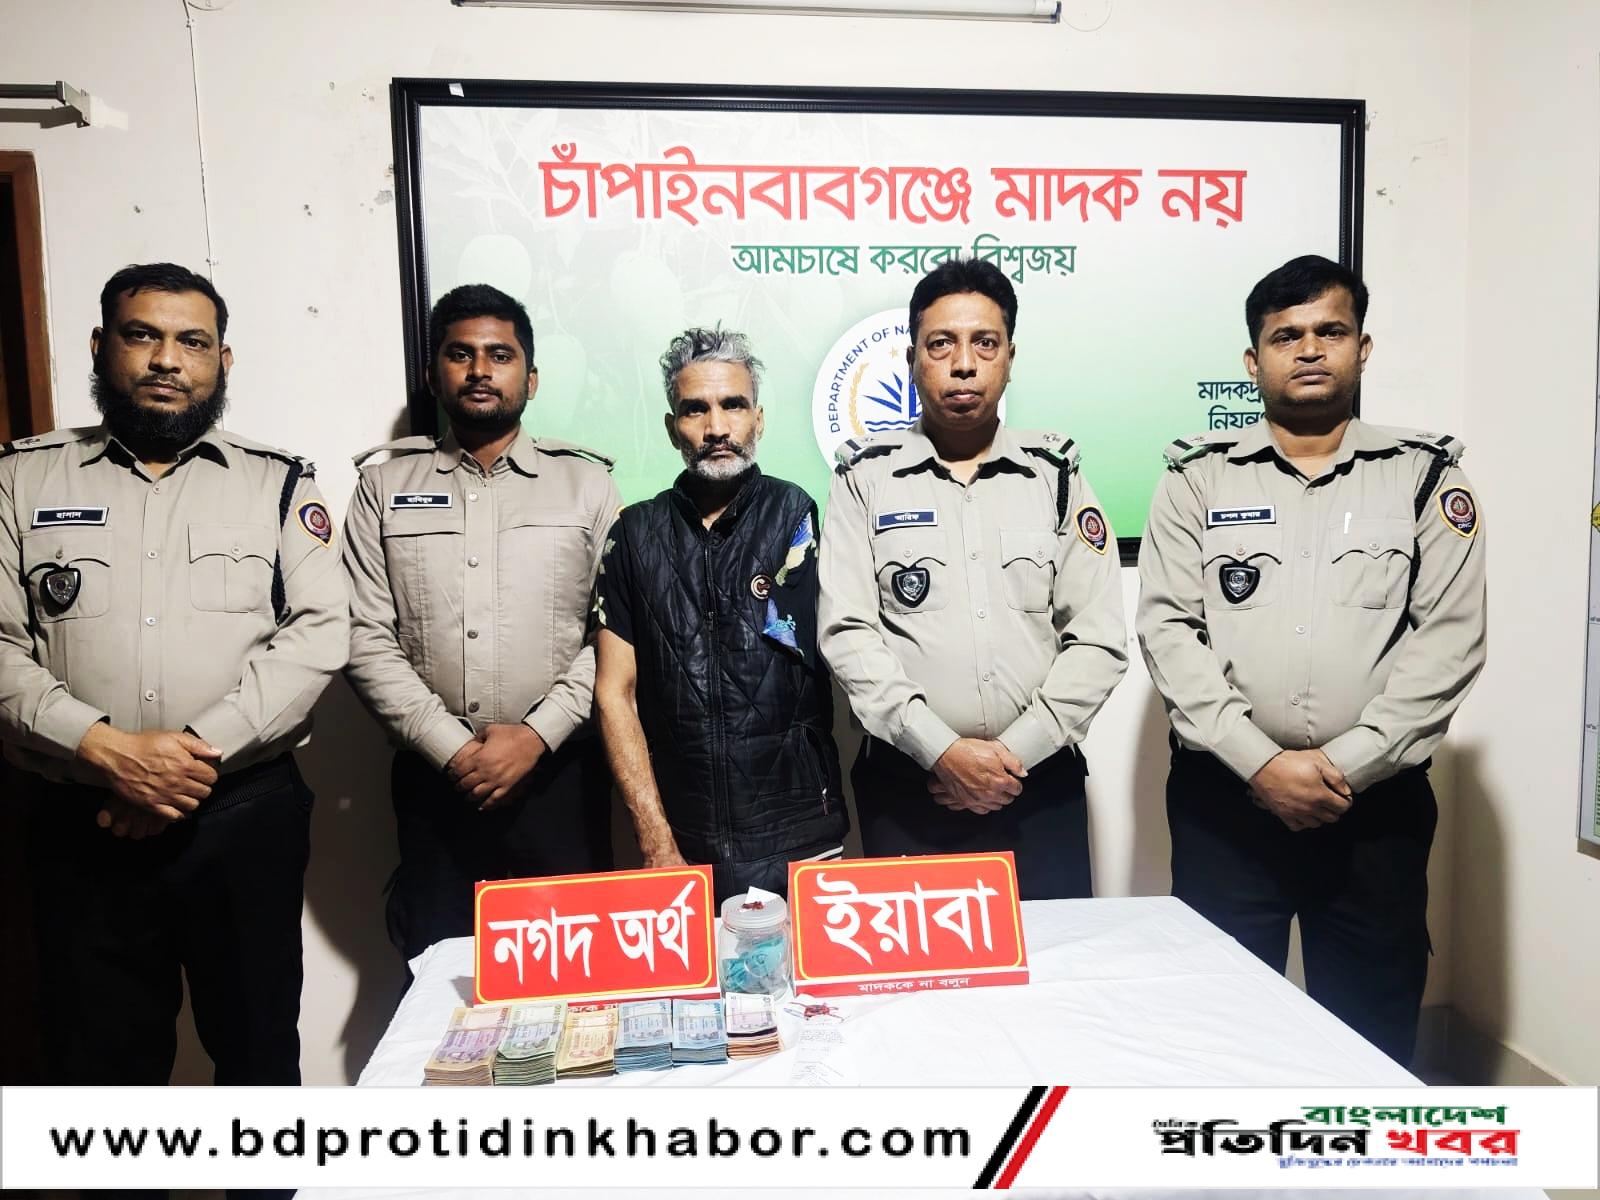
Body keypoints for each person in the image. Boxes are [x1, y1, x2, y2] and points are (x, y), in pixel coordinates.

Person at [0, 262, 348, 1084]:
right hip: (82, 818)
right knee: (100, 1071)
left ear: (222, 361)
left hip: (241, 816)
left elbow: (319, 633)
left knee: (259, 1058)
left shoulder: (278, 483)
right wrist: (105, 750)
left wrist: (181, 760)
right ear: (100, 347)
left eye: (192, 341)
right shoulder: (18, 479)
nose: (166, 359)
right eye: (142, 336)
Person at [1136, 254, 1487, 1064]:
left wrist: (1342, 768)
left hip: (1375, 810)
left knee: (1371, 1037)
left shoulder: (1426, 477)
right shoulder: (1197, 479)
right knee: (1218, 1034)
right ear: (1252, 360)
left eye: (1330, 331)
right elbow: (1168, 632)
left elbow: (1449, 641)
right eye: (1285, 335)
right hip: (1225, 804)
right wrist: (1261, 765)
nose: (1309, 350)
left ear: (1363, 348)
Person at [818, 258, 1127, 899]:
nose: (964, 364)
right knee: (917, 964)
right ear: (913, 360)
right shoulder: (863, 479)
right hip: (909, 788)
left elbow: (1098, 640)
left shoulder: (1056, 474)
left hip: (1039, 788)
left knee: (1055, 960)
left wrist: (1011, 758)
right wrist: (940, 751)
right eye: (942, 344)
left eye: (985, 343)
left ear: (1010, 357)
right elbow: (849, 634)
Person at [343, 284, 618, 963]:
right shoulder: (383, 487)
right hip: (435, 783)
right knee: (442, 980)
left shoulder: (588, 486)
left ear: (531, 377)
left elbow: (613, 634)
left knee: (575, 978)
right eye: (460, 354)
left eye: (500, 355)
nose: (479, 371)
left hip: (560, 778)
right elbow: (364, 636)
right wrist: (452, 749)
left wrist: (536, 735)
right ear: (434, 373)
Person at [593, 327, 847, 901]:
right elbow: (614, 692)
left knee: (803, 966)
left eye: (733, 405)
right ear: (671, 427)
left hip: (800, 834)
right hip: (683, 839)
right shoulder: (634, 535)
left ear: (758, 419)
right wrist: (655, 839)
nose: (716, 428)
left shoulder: (796, 512)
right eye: (695, 409)